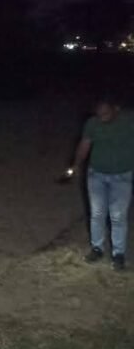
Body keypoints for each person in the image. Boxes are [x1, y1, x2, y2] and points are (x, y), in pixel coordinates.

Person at [68, 94, 134, 270]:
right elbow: (85, 144)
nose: (102, 118)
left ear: (115, 109)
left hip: (122, 176)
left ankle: (118, 254)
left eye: (106, 114)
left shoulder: (128, 121)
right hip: (96, 175)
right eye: (99, 114)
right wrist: (76, 165)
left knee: (118, 216)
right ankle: (97, 248)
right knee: (97, 213)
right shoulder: (92, 123)